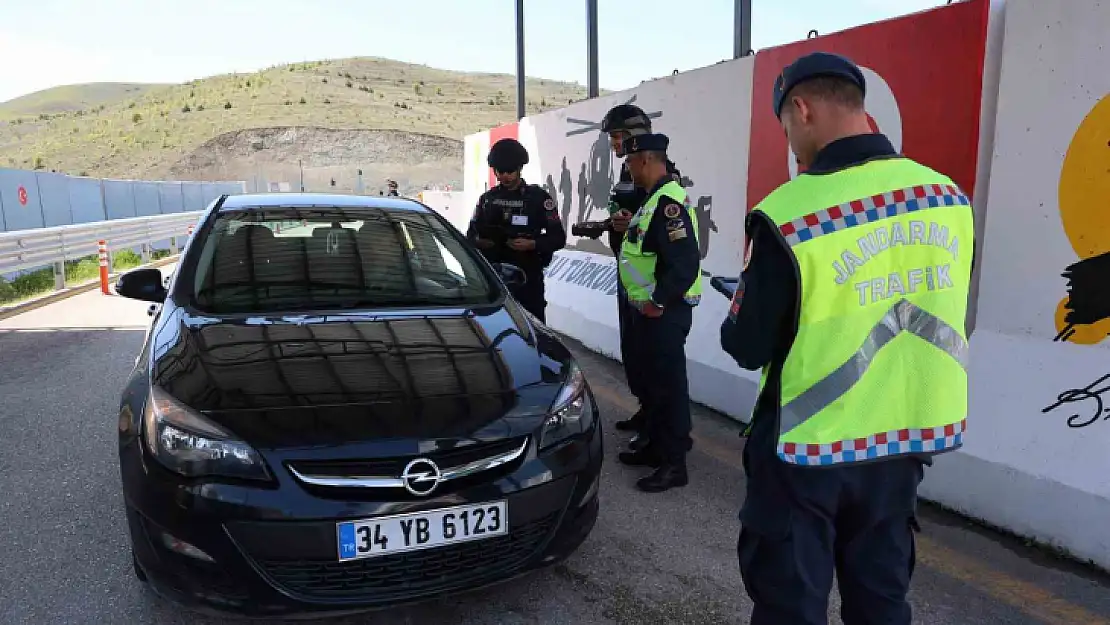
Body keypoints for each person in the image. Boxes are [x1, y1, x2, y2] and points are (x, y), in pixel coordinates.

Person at [720, 51, 974, 625]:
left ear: (801, 109)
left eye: (786, 125)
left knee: (791, 607)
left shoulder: (787, 213)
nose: (790, 143)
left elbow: (747, 345)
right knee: (882, 603)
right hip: (900, 446)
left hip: (807, 449)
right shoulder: (947, 198)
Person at [615, 132, 701, 493]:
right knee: (652, 385)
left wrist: (658, 301)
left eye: (631, 162)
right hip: (648, 312)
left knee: (668, 389)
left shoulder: (668, 205)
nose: (629, 169)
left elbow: (685, 264)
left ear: (647, 160)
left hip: (664, 313)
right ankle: (654, 447)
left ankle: (673, 463)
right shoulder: (651, 202)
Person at [597, 104, 685, 453]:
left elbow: (660, 232)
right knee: (633, 352)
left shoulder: (664, 176)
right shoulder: (627, 171)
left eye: (619, 136)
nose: (616, 144)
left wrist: (630, 221)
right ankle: (646, 410)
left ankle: (659, 431)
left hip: (653, 286)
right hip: (630, 277)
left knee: (655, 363)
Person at [468, 138, 566, 322]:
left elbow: (558, 237)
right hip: (493, 279)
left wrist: (533, 244)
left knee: (533, 331)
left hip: (528, 279)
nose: (504, 176)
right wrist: (481, 242)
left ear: (520, 169)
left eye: (510, 171)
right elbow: (470, 236)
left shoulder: (538, 198)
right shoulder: (486, 200)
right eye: (499, 171)